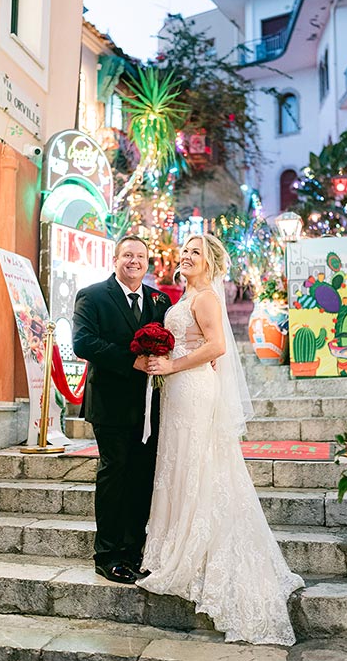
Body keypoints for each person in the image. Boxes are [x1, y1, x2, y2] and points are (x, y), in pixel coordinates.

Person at [137, 233, 304, 645]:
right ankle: (172, 543)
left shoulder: (207, 296)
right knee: (177, 463)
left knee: (198, 463)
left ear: (210, 261)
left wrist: (172, 365)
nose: (187, 256)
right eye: (186, 251)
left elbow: (215, 346)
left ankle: (195, 550)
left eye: (196, 252)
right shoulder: (183, 296)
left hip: (193, 388)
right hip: (177, 390)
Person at [72, 235, 171, 585]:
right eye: (127, 255)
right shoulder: (94, 295)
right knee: (114, 475)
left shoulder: (158, 300)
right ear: (115, 259)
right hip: (110, 404)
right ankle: (108, 554)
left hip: (149, 406)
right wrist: (132, 362)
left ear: (148, 262)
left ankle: (133, 550)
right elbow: (83, 343)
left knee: (142, 478)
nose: (134, 261)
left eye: (141, 256)